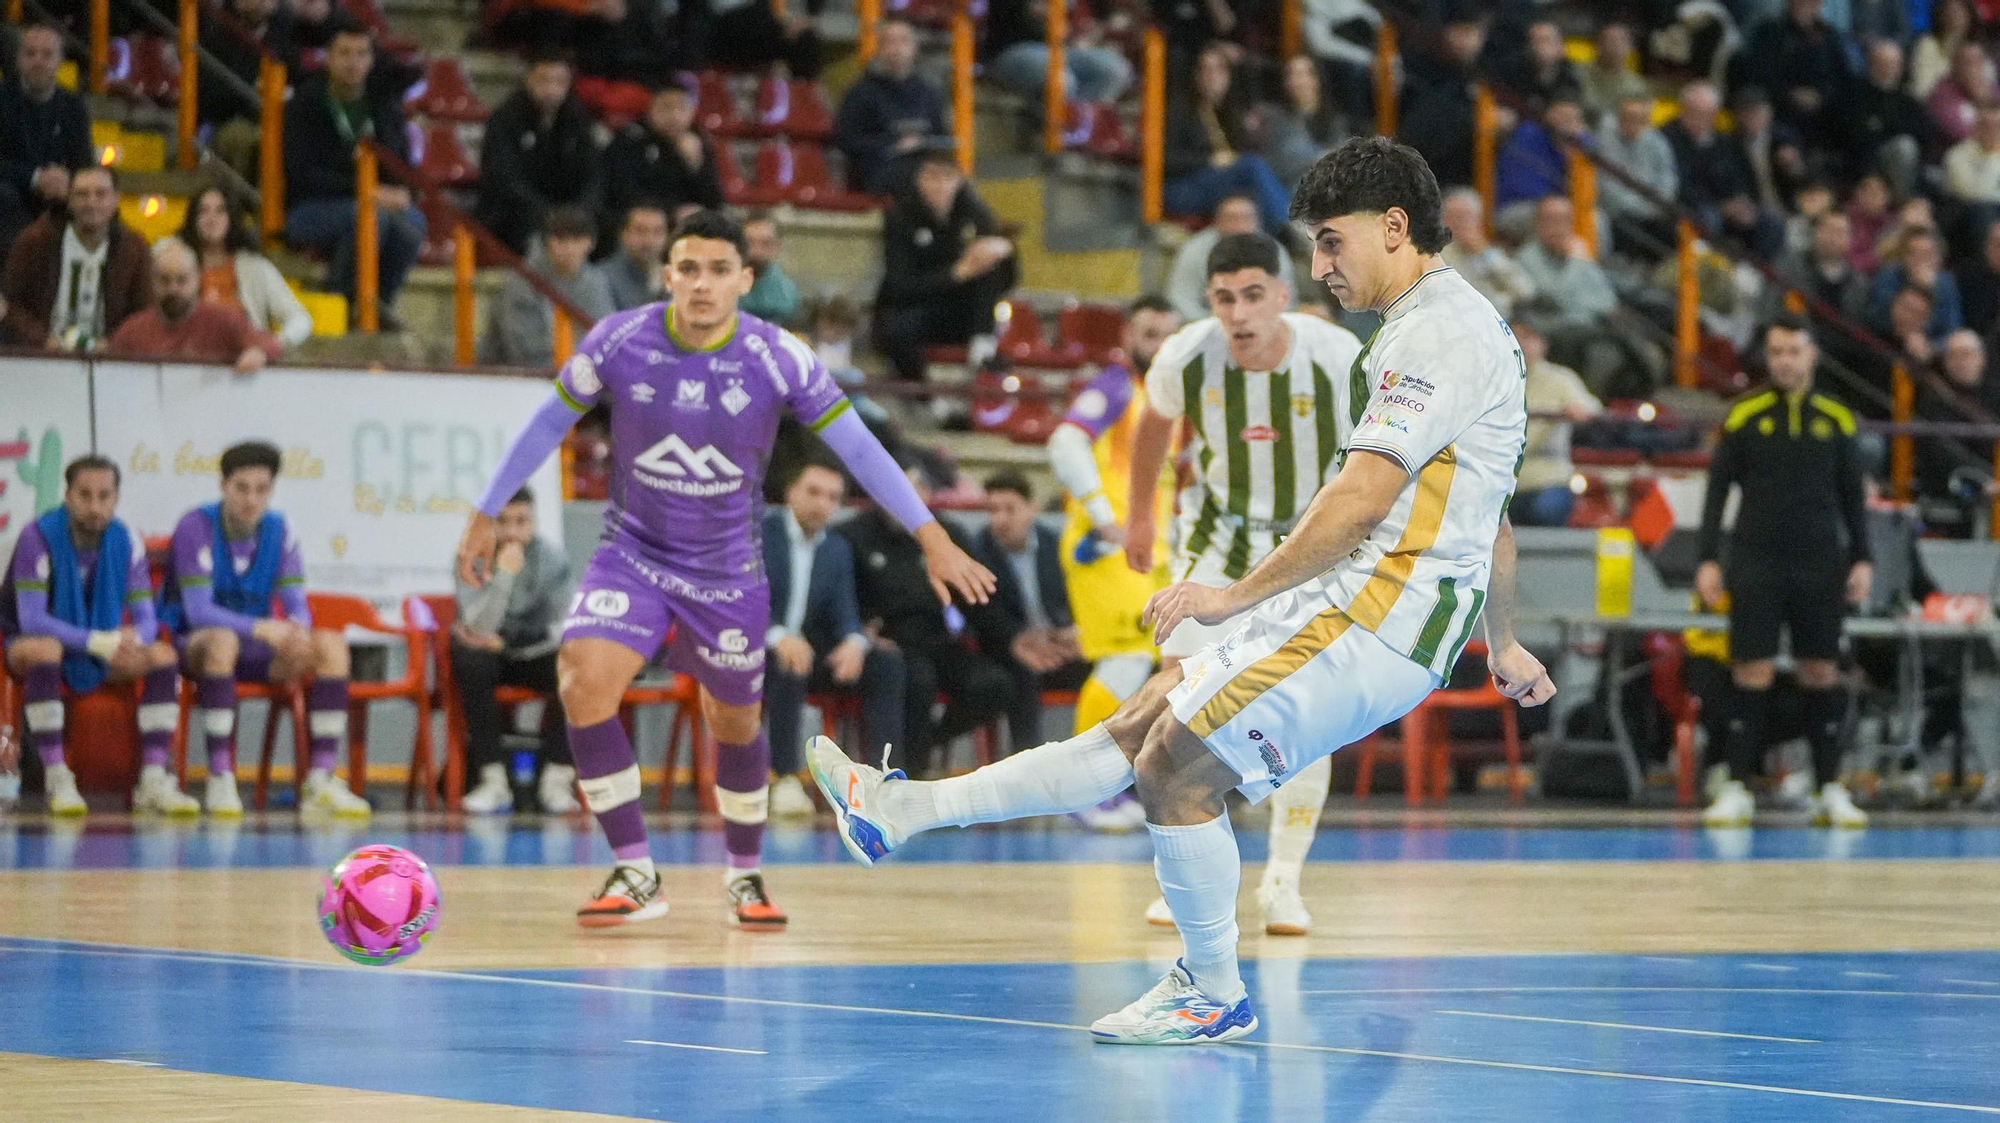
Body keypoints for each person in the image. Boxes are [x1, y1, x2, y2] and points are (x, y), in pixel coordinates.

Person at [807, 136, 1553, 1044]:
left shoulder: (1434, 332)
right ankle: (900, 812)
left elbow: (1361, 497)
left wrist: (1232, 595)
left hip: (1376, 615)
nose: (1319, 266)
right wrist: (1503, 639)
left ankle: (1211, 989)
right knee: (1141, 724)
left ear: (1395, 227)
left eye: (1331, 242)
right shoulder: (1445, 327)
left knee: (1175, 766)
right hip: (1359, 601)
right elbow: (1493, 512)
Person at [454, 209, 994, 929]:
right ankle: (636, 871)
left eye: (717, 270)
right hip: (633, 553)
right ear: (666, 275)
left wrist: (930, 534)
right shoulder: (618, 340)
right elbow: (547, 423)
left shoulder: (779, 356)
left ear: (745, 278)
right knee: (582, 677)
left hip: (727, 572)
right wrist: (486, 508)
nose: (701, 284)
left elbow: (860, 448)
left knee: (735, 723)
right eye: (687, 268)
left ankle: (745, 872)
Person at [1697, 315, 1872, 830]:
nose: (1784, 361)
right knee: (1751, 669)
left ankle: (1828, 787)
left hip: (1820, 561)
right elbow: (1716, 492)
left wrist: (1863, 557)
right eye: (1775, 352)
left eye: (1794, 351)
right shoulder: (1744, 415)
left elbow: (1852, 497)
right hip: (1756, 559)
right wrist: (1709, 558)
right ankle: (1736, 785)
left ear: (1812, 354)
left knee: (1820, 669)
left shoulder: (1837, 419)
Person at [158, 441, 368, 818]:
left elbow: (295, 603)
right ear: (223, 486)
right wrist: (261, 627)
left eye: (261, 489)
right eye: (241, 488)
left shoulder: (279, 529)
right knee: (222, 642)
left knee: (330, 646)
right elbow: (198, 610)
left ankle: (320, 781)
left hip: (255, 648)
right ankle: (221, 778)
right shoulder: (195, 526)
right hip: (197, 646)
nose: (251, 499)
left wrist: (297, 631)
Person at [1045, 295, 1180, 831]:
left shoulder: (1166, 399)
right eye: (1149, 334)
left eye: (1169, 336)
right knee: (1122, 664)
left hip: (1150, 553)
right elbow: (1063, 442)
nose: (1160, 346)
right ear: (1128, 337)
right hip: (1107, 550)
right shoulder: (1116, 385)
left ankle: (1113, 783)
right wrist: (1103, 519)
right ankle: (1084, 790)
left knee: (1147, 668)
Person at [1, 456, 190, 817]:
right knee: (46, 649)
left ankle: (152, 780)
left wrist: (133, 638)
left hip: (100, 648)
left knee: (163, 656)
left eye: (104, 496)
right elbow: (32, 619)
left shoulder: (126, 540)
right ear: (68, 496)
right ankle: (57, 777)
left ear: (116, 498)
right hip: (30, 646)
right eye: (85, 496)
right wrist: (96, 642)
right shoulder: (36, 537)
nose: (94, 506)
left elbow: (147, 619)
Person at [837, 457, 1016, 777]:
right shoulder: (853, 535)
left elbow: (977, 599)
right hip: (889, 641)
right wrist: (859, 630)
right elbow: (841, 595)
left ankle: (929, 743)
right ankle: (913, 773)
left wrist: (1014, 639)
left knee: (993, 683)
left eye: (911, 491)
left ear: (927, 495)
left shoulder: (949, 534)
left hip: (940, 637)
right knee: (918, 682)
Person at [760, 458, 906, 817]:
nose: (822, 504)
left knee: (885, 663)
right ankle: (785, 779)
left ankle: (881, 781)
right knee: (789, 662)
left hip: (807, 651)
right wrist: (777, 637)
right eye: (813, 492)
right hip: (752, 650)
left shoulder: (835, 549)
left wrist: (855, 643)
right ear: (789, 492)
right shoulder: (758, 535)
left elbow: (846, 611)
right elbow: (735, 604)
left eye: (832, 497)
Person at [283, 22, 426, 330]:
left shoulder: (383, 105)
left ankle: (379, 306)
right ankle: (341, 302)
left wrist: (405, 193)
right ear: (328, 58)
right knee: (373, 218)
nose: (352, 62)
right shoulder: (305, 104)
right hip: (309, 207)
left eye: (361, 54)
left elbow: (401, 163)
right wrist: (363, 191)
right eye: (344, 53)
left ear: (371, 61)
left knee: (413, 221)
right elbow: (301, 173)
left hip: (367, 202)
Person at [452, 486, 577, 815]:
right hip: (489, 659)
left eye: (521, 521)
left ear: (533, 522)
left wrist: (512, 640)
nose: (512, 531)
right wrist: (504, 575)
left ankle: (556, 780)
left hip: (534, 655)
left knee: (576, 664)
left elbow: (564, 627)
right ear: (489, 524)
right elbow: (479, 628)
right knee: (468, 657)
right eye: (503, 521)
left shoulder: (553, 560)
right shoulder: (470, 557)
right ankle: (492, 780)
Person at [873, 149, 1018, 382]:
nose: (940, 186)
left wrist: (1004, 251)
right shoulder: (900, 217)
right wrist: (956, 274)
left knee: (989, 273)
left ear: (959, 181)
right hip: (917, 306)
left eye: (947, 177)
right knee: (897, 330)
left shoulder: (974, 214)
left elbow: (1006, 280)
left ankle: (983, 352)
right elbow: (900, 284)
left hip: (962, 311)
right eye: (932, 177)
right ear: (918, 180)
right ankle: (927, 399)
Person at [971, 472, 1089, 752]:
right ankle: (1027, 761)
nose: (1000, 519)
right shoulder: (978, 551)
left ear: (1031, 509)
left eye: (1009, 509)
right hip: (1010, 651)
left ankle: (1112, 765)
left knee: (1116, 665)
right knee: (1021, 672)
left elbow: (1077, 599)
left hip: (1059, 644)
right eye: (992, 510)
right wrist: (1021, 640)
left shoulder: (1056, 544)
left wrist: (1074, 632)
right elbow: (984, 616)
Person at [1, 165, 151, 349]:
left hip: (111, 360)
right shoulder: (36, 242)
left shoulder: (134, 249)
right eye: (82, 194)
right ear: (69, 199)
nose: (91, 203)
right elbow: (10, 307)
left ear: (116, 199)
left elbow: (143, 314)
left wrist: (113, 344)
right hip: (43, 355)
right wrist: (43, 341)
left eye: (101, 194)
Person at [475, 50, 603, 255]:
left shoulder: (577, 118)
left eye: (559, 81)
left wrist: (581, 209)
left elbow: (593, 173)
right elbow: (502, 177)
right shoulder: (506, 118)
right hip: (518, 211)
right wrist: (545, 213)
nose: (551, 89)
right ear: (529, 79)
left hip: (566, 210)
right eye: (544, 80)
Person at [1161, 44, 1291, 239]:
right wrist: (1209, 160)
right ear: (1195, 75)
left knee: (1264, 183)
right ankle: (1290, 230)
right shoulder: (1179, 110)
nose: (1211, 76)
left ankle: (1276, 243)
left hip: (1222, 184)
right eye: (1205, 69)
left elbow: (1246, 152)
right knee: (1251, 167)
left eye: (1219, 70)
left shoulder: (1229, 111)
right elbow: (1165, 160)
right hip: (1181, 187)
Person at [109, 238, 277, 373]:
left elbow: (271, 344)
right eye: (164, 280)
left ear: (197, 279)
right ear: (152, 281)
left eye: (182, 280)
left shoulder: (223, 320)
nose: (173, 288)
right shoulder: (133, 330)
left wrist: (258, 352)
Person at [179, 186, 314, 350]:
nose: (211, 218)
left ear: (233, 217)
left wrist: (273, 344)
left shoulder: (255, 268)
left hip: (246, 364)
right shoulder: (174, 264)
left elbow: (300, 320)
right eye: (203, 211)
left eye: (220, 211)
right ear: (193, 218)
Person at [480, 205, 616, 367]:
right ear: (546, 243)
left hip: (579, 374)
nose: (569, 249)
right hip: (512, 377)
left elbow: (607, 337)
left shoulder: (596, 281)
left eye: (577, 240)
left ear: (591, 243)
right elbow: (524, 349)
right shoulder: (523, 282)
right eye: (561, 240)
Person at [0, 23, 93, 246]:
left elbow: (83, 162)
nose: (38, 61)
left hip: (58, 197)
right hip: (10, 196)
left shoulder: (73, 107)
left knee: (97, 198)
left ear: (60, 61)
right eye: (30, 54)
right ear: (19, 59)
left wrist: (66, 180)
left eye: (47, 54)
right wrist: (36, 178)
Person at [833, 19, 950, 195]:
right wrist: (894, 144)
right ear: (880, 48)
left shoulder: (931, 92)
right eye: (890, 42)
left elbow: (941, 136)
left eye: (903, 41)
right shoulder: (860, 92)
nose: (897, 48)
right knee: (921, 181)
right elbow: (846, 140)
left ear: (914, 47)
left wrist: (922, 144)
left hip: (924, 166)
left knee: (955, 183)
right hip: (879, 171)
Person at [599, 83, 725, 237]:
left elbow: (715, 200)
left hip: (686, 224)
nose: (674, 115)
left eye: (681, 108)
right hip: (638, 224)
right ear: (651, 109)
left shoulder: (698, 142)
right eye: (666, 107)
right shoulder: (630, 139)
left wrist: (695, 166)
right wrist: (672, 211)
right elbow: (622, 193)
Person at [1511, 320, 1601, 527]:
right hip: (1501, 479)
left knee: (1546, 510)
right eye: (1516, 335)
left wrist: (1577, 409)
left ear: (1543, 343)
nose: (1521, 343)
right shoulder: (1496, 377)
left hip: (1548, 479)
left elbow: (1592, 408)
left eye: (1528, 336)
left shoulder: (1560, 379)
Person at [1166, 195, 1297, 322]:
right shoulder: (1194, 250)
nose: (1239, 225)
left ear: (1258, 222)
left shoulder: (1275, 251)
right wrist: (1218, 327)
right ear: (1216, 221)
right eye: (1231, 218)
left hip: (1262, 326)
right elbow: (1181, 300)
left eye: (1246, 218)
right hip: (1207, 324)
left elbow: (1286, 300)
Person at [982, 0, 1133, 107]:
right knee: (1062, 80)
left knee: (1114, 69)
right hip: (1013, 49)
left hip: (1062, 50)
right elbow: (1027, 12)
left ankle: (1079, 129)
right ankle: (1052, 136)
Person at [1593, 94, 1679, 258]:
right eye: (1627, 117)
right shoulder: (1603, 141)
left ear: (1646, 121)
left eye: (1639, 118)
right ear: (1618, 118)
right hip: (1618, 212)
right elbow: (1606, 187)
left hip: (1654, 209)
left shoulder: (1658, 142)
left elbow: (1669, 177)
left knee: (1676, 232)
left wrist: (1659, 204)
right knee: (1628, 230)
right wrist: (1642, 208)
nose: (1632, 123)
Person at [1850, 38, 1933, 198]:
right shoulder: (1855, 95)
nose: (1888, 69)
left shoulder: (1908, 99)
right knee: (1904, 147)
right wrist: (1893, 127)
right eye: (1882, 63)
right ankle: (1902, 203)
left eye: (1893, 64)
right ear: (1871, 64)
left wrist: (1884, 125)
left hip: (1909, 164)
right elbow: (1858, 134)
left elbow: (1924, 133)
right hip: (1866, 161)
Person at [1439, 187, 1534, 318]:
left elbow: (1524, 290)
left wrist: (1485, 254)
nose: (1459, 224)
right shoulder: (1434, 255)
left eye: (1465, 217)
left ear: (1479, 221)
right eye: (1453, 217)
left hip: (1497, 322)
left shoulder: (1488, 253)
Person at [1263, 56, 1350, 188]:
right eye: (1293, 75)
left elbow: (1342, 157)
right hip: (1292, 186)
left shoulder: (1335, 120)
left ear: (1317, 80)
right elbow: (1280, 161)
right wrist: (1319, 157)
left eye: (1304, 74)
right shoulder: (1277, 119)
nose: (1299, 81)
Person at [1577, 22, 1647, 125]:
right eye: (1609, 40)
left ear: (1630, 48)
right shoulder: (1576, 73)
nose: (1614, 45)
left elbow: (1640, 124)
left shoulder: (1637, 86)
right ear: (1597, 44)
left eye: (1621, 41)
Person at [740, 211, 800, 327]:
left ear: (777, 246)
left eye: (765, 243)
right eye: (749, 242)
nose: (756, 251)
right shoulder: (721, 284)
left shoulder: (787, 292)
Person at [1944, 103, 2000, 207]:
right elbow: (1976, 195)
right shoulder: (1958, 155)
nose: (1994, 132)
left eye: (1998, 126)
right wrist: (1992, 154)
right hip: (1970, 212)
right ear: (1976, 127)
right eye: (1987, 126)